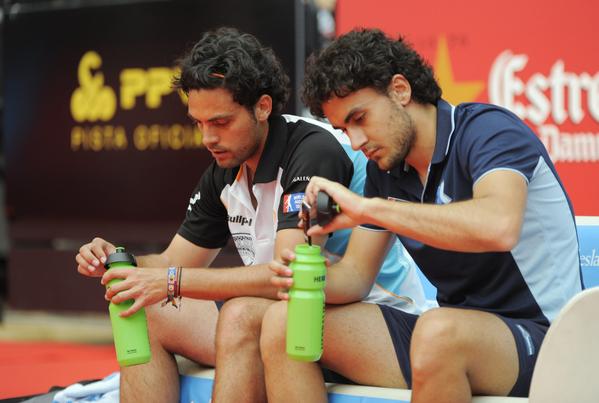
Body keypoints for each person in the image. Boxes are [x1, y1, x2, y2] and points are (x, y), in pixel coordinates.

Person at [75, 27, 426, 403]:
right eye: (199, 123)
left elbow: (284, 277)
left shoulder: (313, 151)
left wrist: (172, 282)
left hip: (374, 319)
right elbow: (169, 263)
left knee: (245, 315)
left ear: (262, 107)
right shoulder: (224, 167)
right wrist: (121, 263)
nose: (208, 138)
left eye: (221, 122)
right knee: (146, 310)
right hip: (292, 318)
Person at [262, 28, 582, 403]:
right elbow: (355, 278)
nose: (356, 142)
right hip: (454, 336)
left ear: (400, 90)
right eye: (344, 129)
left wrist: (369, 209)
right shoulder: (385, 172)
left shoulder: (488, 130)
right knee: (280, 324)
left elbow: (499, 226)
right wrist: (301, 276)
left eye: (360, 118)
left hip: (551, 341)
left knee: (438, 332)